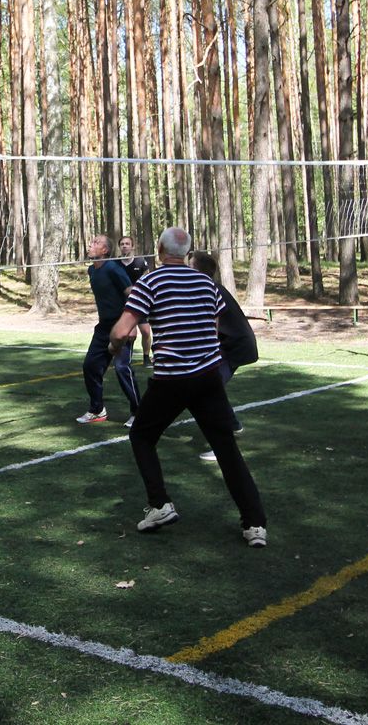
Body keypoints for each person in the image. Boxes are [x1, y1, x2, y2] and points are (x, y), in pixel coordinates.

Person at [110, 227, 268, 548]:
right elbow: (213, 326)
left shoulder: (150, 282)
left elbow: (122, 330)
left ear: (159, 249)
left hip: (171, 379)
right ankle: (255, 525)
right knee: (226, 449)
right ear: (187, 253)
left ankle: (159, 504)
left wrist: (114, 347)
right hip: (208, 377)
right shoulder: (208, 284)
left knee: (142, 436)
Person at [187, 250, 253, 461]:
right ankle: (233, 425)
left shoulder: (209, 290)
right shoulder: (206, 288)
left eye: (189, 267)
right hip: (229, 345)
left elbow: (210, 327)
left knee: (208, 392)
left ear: (198, 271)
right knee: (209, 391)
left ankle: (222, 446)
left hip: (235, 346)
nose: (186, 270)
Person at [78, 235, 141, 426]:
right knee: (90, 366)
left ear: (105, 250)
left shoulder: (114, 268)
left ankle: (139, 412)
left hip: (122, 325)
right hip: (103, 327)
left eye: (96, 243)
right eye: (91, 242)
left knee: (122, 368)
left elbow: (132, 294)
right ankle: (97, 409)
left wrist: (132, 325)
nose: (90, 245)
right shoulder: (92, 270)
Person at [118, 235, 155, 366]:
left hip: (139, 302)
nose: (124, 246)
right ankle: (124, 357)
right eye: (122, 244)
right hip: (123, 303)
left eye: (127, 244)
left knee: (146, 331)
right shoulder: (115, 263)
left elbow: (147, 278)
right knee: (128, 334)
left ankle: (146, 357)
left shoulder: (140, 262)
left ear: (132, 246)